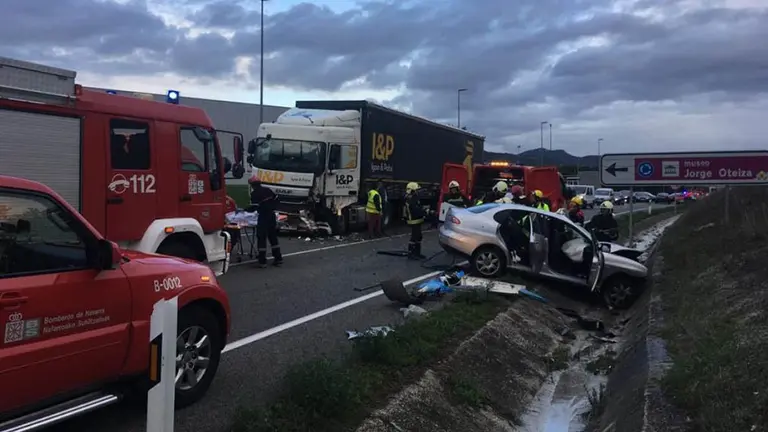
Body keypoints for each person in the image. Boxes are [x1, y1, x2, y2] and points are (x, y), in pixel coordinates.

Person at [246, 174, 283, 267]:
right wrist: (272, 207)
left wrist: (245, 210)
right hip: (271, 216)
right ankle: (278, 258)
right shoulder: (268, 190)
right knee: (273, 237)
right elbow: (277, 199)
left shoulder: (254, 194)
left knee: (261, 238)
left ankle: (262, 261)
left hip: (263, 217)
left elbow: (254, 207)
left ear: (252, 185)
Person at [404, 182, 426, 259]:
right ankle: (411, 254)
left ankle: (417, 253)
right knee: (414, 237)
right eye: (416, 190)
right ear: (412, 190)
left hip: (417, 220)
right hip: (414, 220)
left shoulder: (414, 198)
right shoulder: (411, 199)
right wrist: (425, 212)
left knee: (419, 236)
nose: (418, 192)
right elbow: (416, 210)